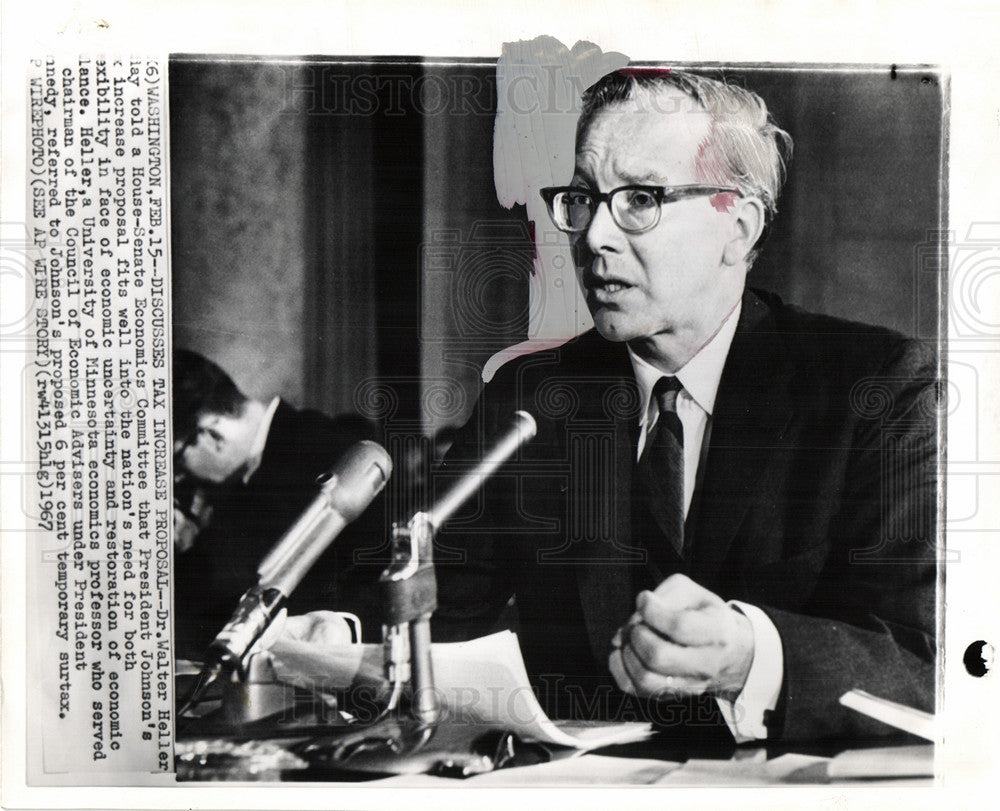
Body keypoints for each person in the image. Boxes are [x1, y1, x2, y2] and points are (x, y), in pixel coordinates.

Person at [431, 69, 938, 744]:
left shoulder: (877, 389)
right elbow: (438, 609)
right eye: (584, 198)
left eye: (640, 197)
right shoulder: (531, 398)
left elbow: (930, 665)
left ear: (739, 226)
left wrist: (753, 653)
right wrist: (351, 636)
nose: (594, 237)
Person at [171, 349, 384, 659]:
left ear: (211, 433)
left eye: (177, 461)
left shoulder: (313, 455)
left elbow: (216, 610)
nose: (178, 479)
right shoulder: (294, 444)